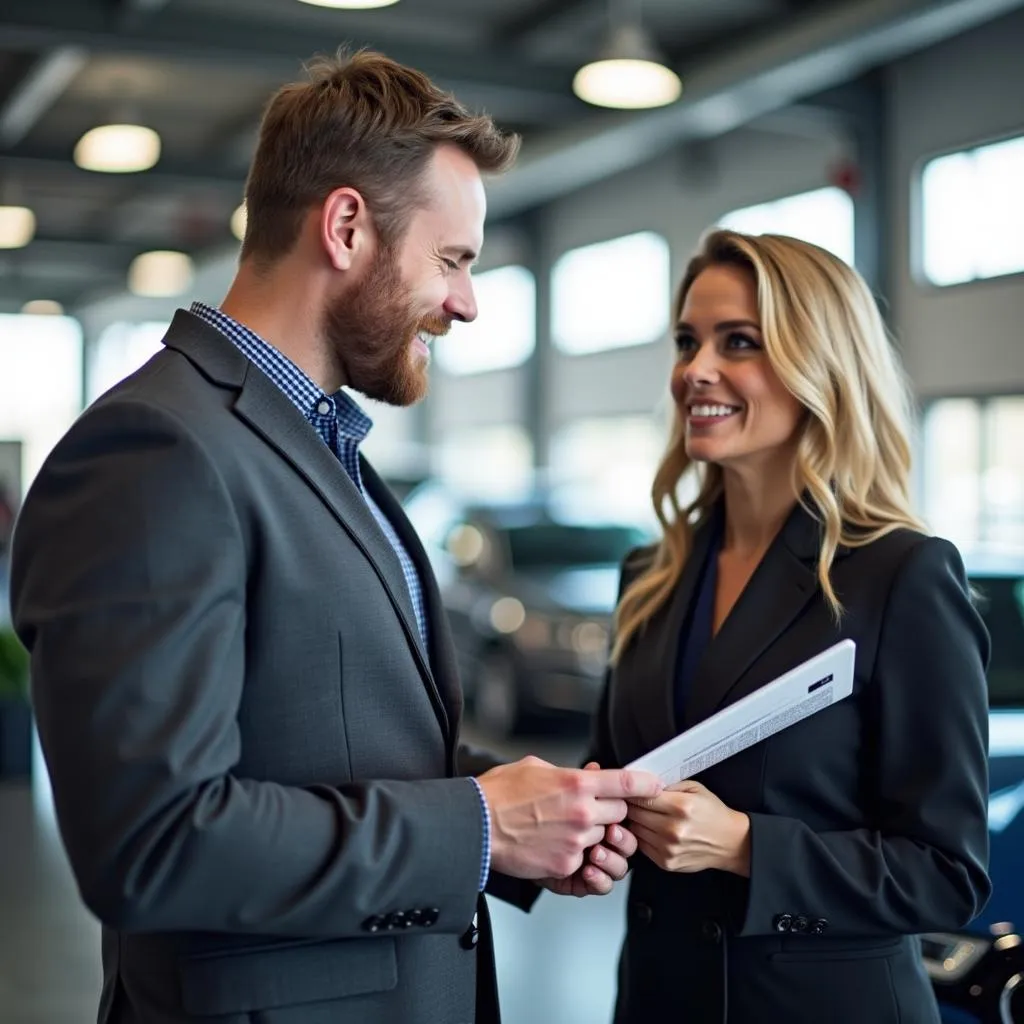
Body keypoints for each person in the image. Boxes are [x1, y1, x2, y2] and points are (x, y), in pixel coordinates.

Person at [9, 51, 661, 1024]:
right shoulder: (155, 453)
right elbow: (152, 841)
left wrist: (527, 808)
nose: (467, 302)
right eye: (452, 260)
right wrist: (477, 827)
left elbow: (322, 737)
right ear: (347, 226)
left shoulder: (317, 444)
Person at [586, 228, 991, 1024]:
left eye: (739, 342)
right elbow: (612, 774)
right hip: (659, 1001)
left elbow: (946, 875)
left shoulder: (901, 577)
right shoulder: (650, 577)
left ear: (820, 366)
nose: (694, 370)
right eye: (687, 341)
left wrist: (743, 845)